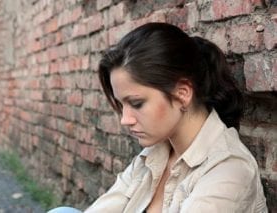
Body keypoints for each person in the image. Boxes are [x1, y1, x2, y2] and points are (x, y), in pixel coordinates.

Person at [49, 22, 268, 212]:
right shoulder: (155, 155)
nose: (125, 119)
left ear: (182, 93)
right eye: (121, 104)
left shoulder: (229, 171)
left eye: (136, 103)